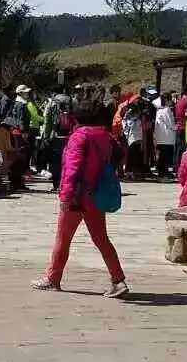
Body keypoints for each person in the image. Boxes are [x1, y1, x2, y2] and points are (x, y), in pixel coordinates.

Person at [30, 99, 128, 299]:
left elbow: (72, 169)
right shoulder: (105, 136)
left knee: (63, 238)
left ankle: (52, 278)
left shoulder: (79, 137)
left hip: (77, 197)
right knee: (101, 239)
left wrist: (66, 196)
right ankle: (118, 279)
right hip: (96, 195)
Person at [153, 91, 177, 178]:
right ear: (167, 100)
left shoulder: (159, 110)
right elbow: (170, 123)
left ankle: (161, 173)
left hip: (160, 137)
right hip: (167, 137)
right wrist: (176, 127)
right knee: (166, 157)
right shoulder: (167, 109)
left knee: (162, 156)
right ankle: (164, 174)